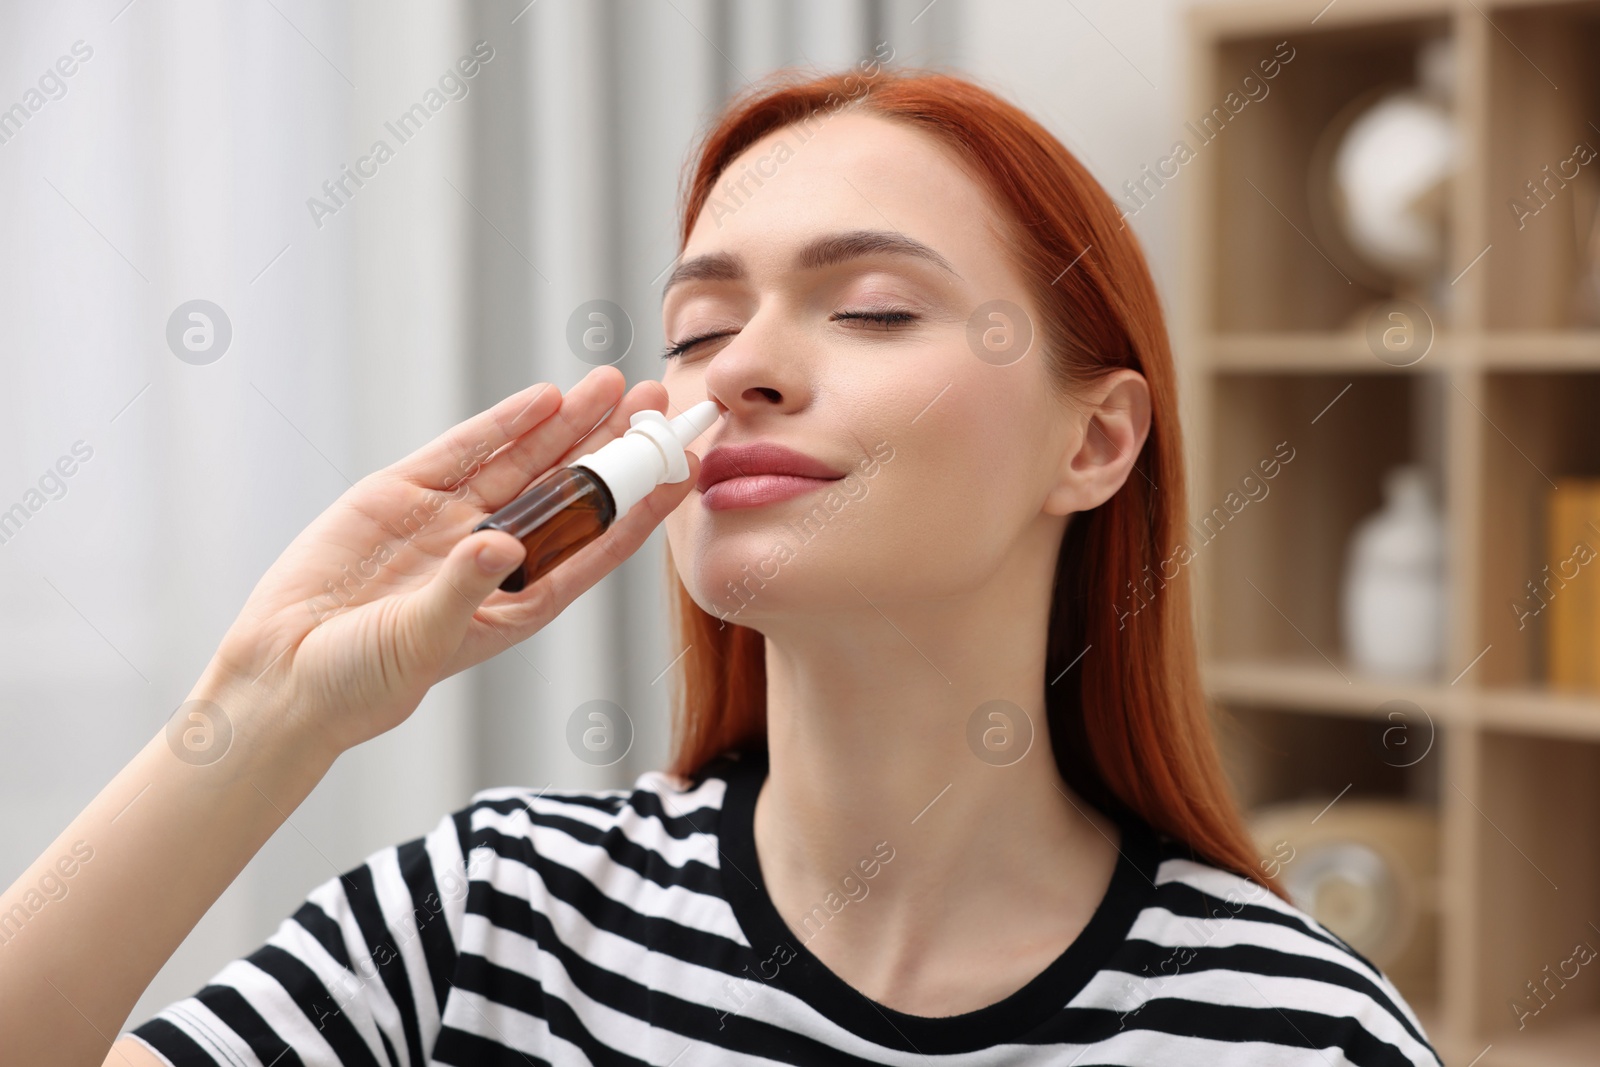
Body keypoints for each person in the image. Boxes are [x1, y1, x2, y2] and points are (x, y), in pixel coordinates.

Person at [2, 67, 1445, 1066]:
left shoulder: (1297, 1028)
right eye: (697, 328)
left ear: (1095, 441)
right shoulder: (491, 920)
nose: (738, 368)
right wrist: (270, 707)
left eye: (872, 308)